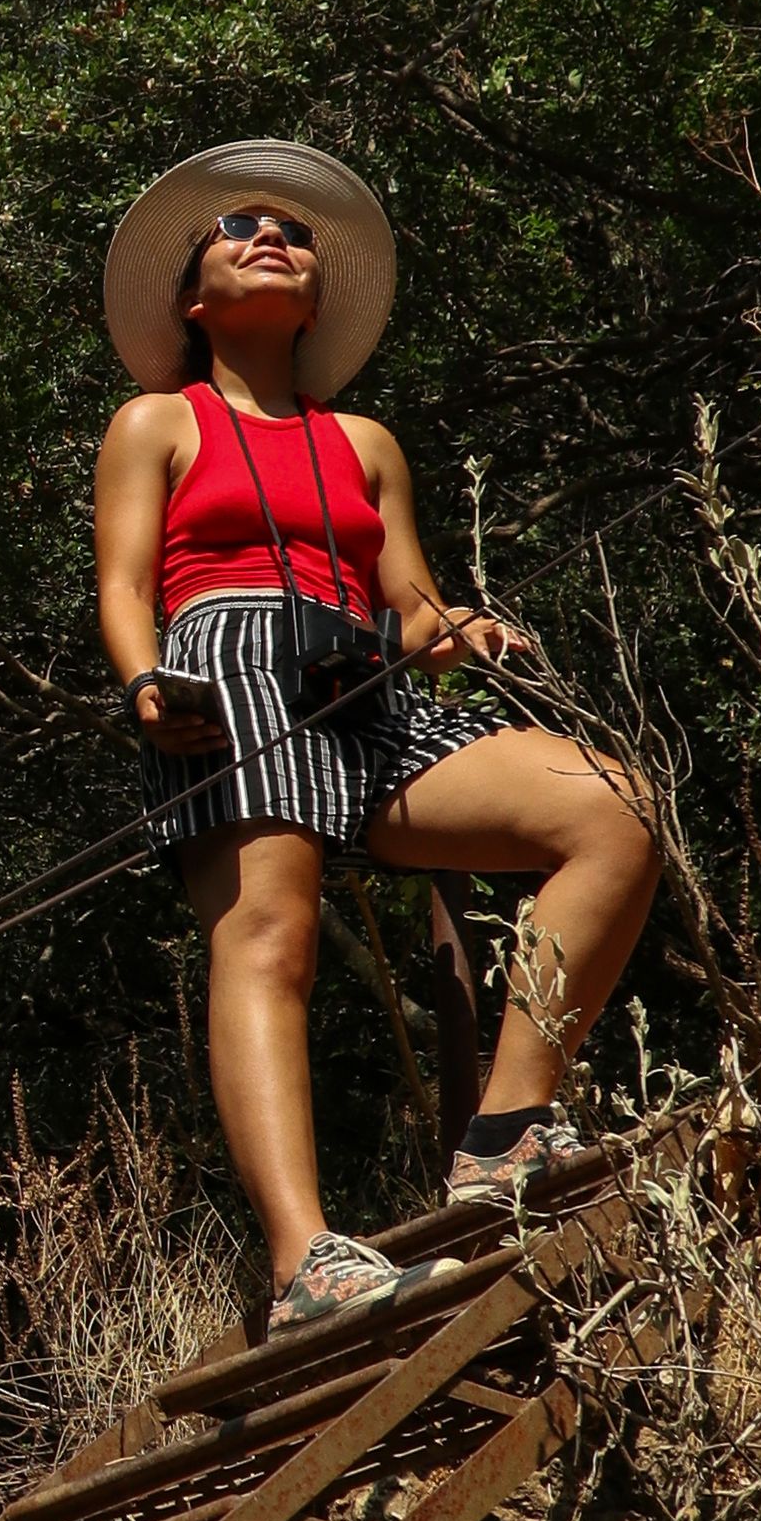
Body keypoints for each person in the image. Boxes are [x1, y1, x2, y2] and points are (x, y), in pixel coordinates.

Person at [92, 136, 660, 1332]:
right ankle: (305, 1259)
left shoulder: (366, 443)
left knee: (609, 806)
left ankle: (504, 1131)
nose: (273, 237)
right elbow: (125, 581)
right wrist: (149, 684)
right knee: (269, 938)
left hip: (365, 688)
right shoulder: (155, 421)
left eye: (292, 232)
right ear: (195, 295)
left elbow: (408, 602)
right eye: (239, 228)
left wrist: (458, 627)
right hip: (229, 667)